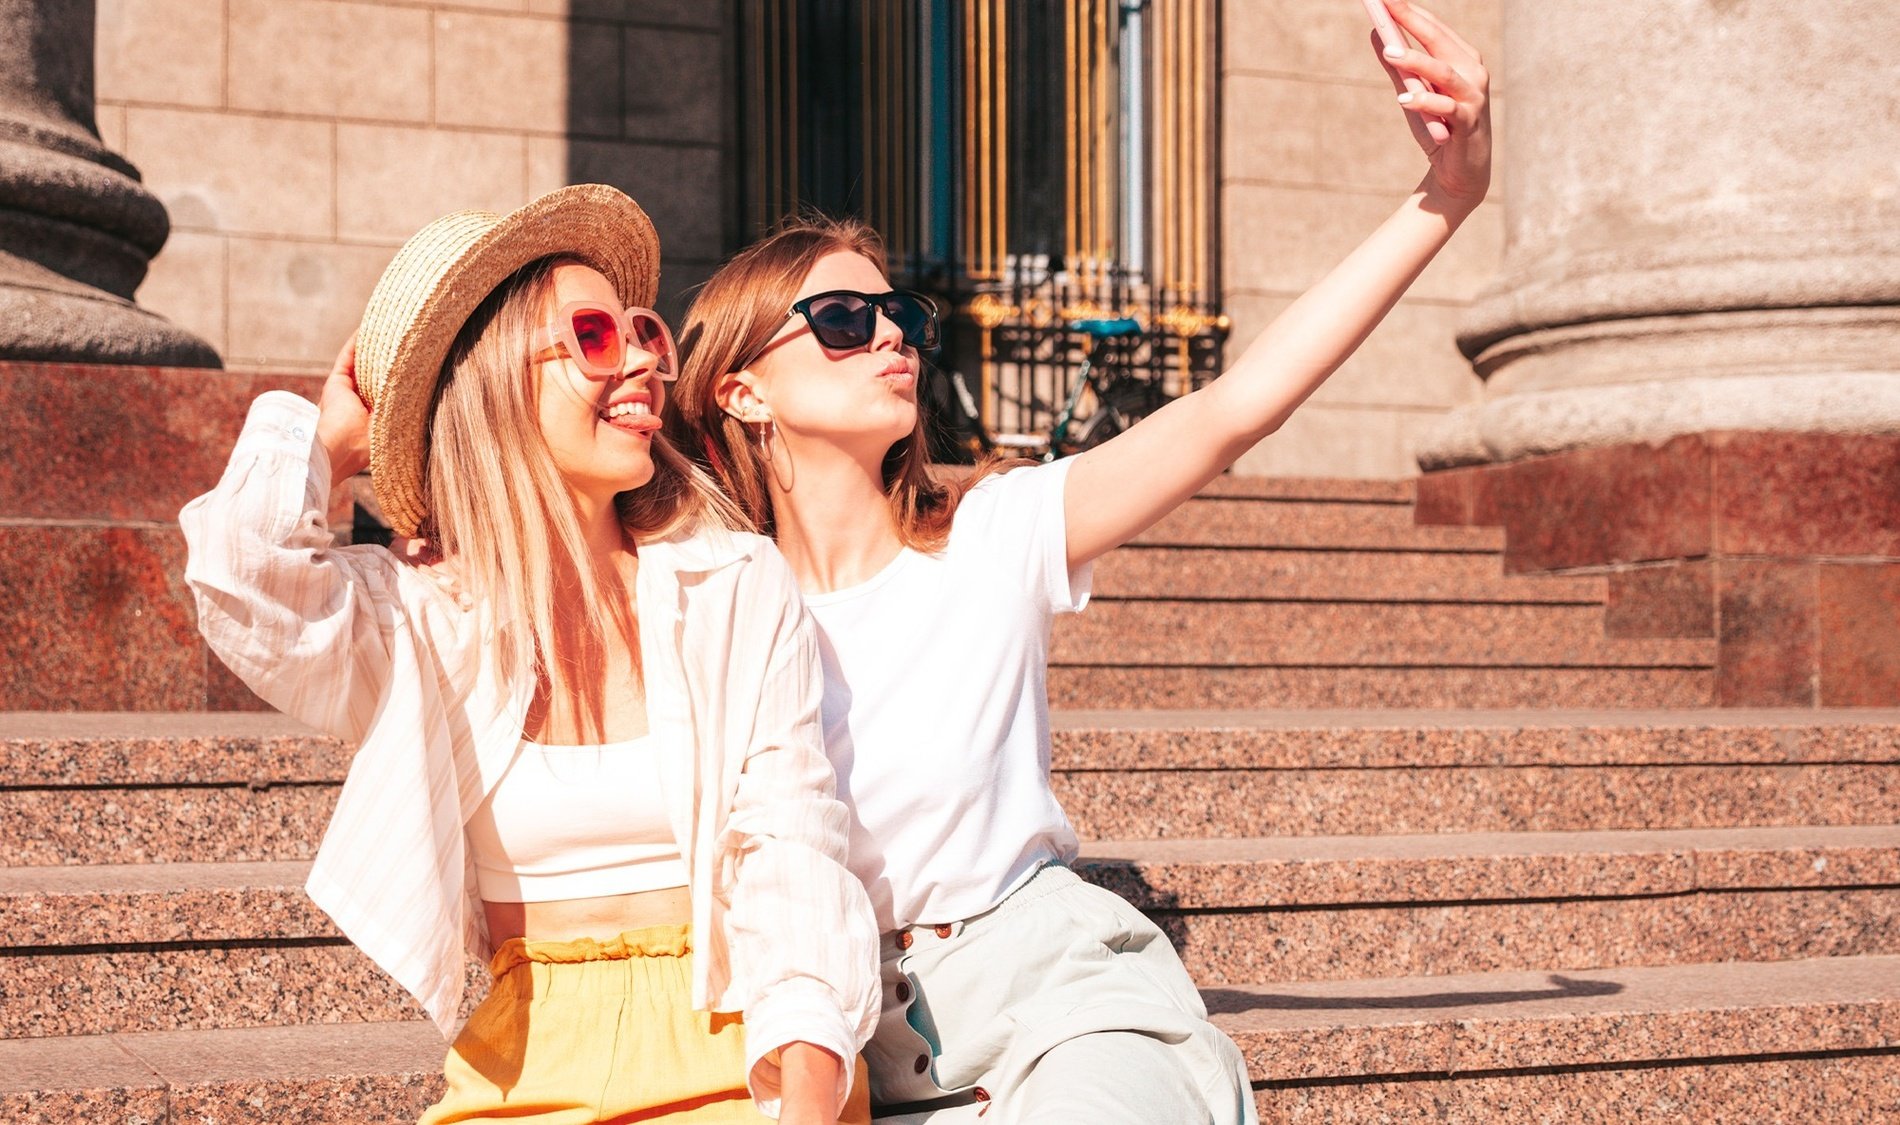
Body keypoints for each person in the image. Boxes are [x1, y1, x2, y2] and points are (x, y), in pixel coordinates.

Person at [664, 4, 1490, 1122]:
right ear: (741, 388)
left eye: (900, 313)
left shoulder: (991, 537)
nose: (896, 335)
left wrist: (1442, 201)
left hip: (1047, 993)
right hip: (827, 1029)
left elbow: (1235, 408)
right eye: (845, 320)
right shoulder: (707, 603)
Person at [181, 184, 880, 1125]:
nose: (639, 360)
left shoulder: (735, 583)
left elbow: (794, 853)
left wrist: (806, 1102)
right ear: (497, 378)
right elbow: (240, 578)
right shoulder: (421, 617)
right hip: (523, 1067)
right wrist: (329, 442)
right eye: (594, 336)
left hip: (741, 1049)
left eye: (644, 332)